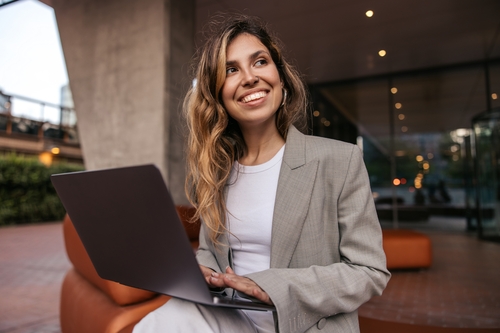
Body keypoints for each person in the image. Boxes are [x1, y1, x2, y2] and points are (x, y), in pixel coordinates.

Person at [134, 14, 390, 333]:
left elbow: (369, 271)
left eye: (260, 61)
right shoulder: (216, 171)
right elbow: (211, 254)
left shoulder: (339, 160)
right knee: (157, 323)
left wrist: (272, 286)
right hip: (232, 320)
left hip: (305, 326)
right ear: (218, 94)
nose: (250, 77)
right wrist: (201, 273)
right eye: (231, 70)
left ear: (280, 77)